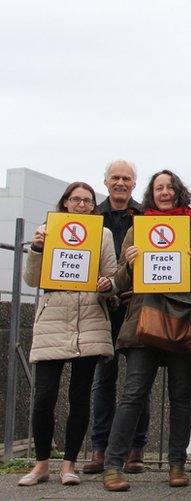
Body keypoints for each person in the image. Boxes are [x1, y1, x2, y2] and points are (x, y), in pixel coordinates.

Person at [102, 170, 191, 492]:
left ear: (178, 192)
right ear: (151, 194)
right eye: (158, 188)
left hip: (183, 321)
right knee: (133, 393)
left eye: (169, 187)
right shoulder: (138, 231)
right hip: (145, 319)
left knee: (181, 396)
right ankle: (113, 465)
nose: (164, 192)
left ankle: (177, 464)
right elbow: (120, 281)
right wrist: (128, 263)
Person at [18, 183, 117, 487]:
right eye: (76, 199)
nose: (82, 204)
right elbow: (32, 278)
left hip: (89, 318)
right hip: (54, 319)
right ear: (65, 202)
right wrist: (36, 248)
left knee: (79, 397)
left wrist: (107, 285)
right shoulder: (48, 230)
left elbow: (112, 276)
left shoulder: (103, 234)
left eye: (87, 201)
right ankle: (41, 464)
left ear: (93, 206)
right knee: (44, 396)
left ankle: (69, 464)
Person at [86, 160, 150, 475]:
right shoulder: (92, 218)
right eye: (115, 178)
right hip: (103, 306)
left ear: (134, 183)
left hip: (137, 305)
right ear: (106, 181)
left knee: (140, 380)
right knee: (104, 380)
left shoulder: (146, 217)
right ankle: (99, 449)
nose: (120, 183)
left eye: (126, 178)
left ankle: (135, 449)